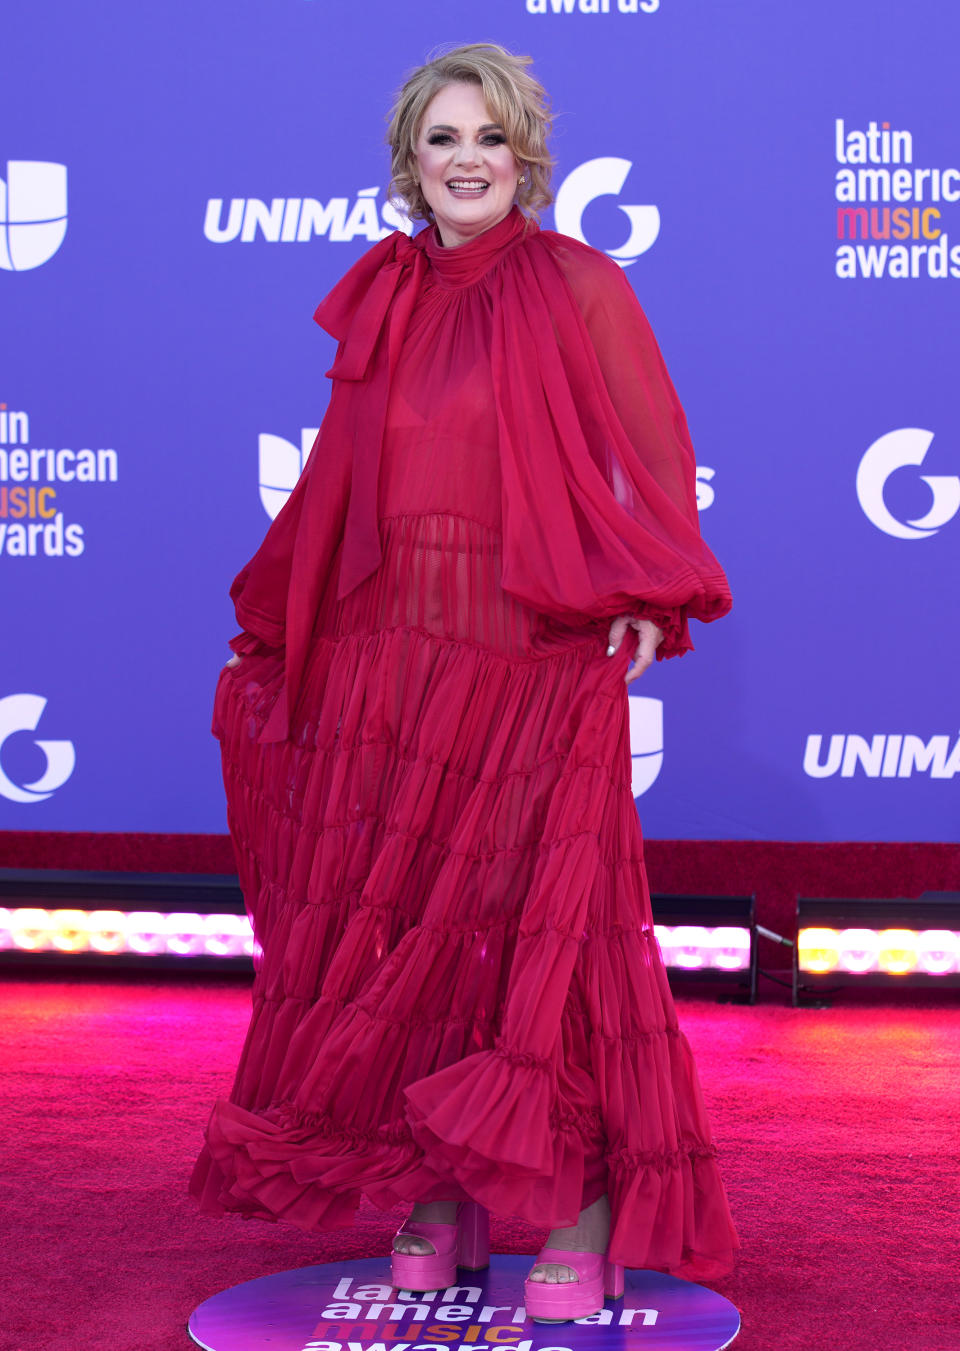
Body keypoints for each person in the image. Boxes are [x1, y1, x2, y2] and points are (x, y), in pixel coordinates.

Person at [190, 42, 738, 1320]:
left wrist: (653, 592)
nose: (467, 160)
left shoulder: (577, 282)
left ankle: (580, 1201)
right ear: (410, 160)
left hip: (530, 646)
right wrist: (286, 622)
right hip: (397, 649)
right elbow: (339, 477)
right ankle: (443, 1180)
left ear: (524, 152)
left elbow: (652, 448)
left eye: (489, 137)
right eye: (444, 139)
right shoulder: (385, 289)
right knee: (410, 920)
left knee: (554, 921)